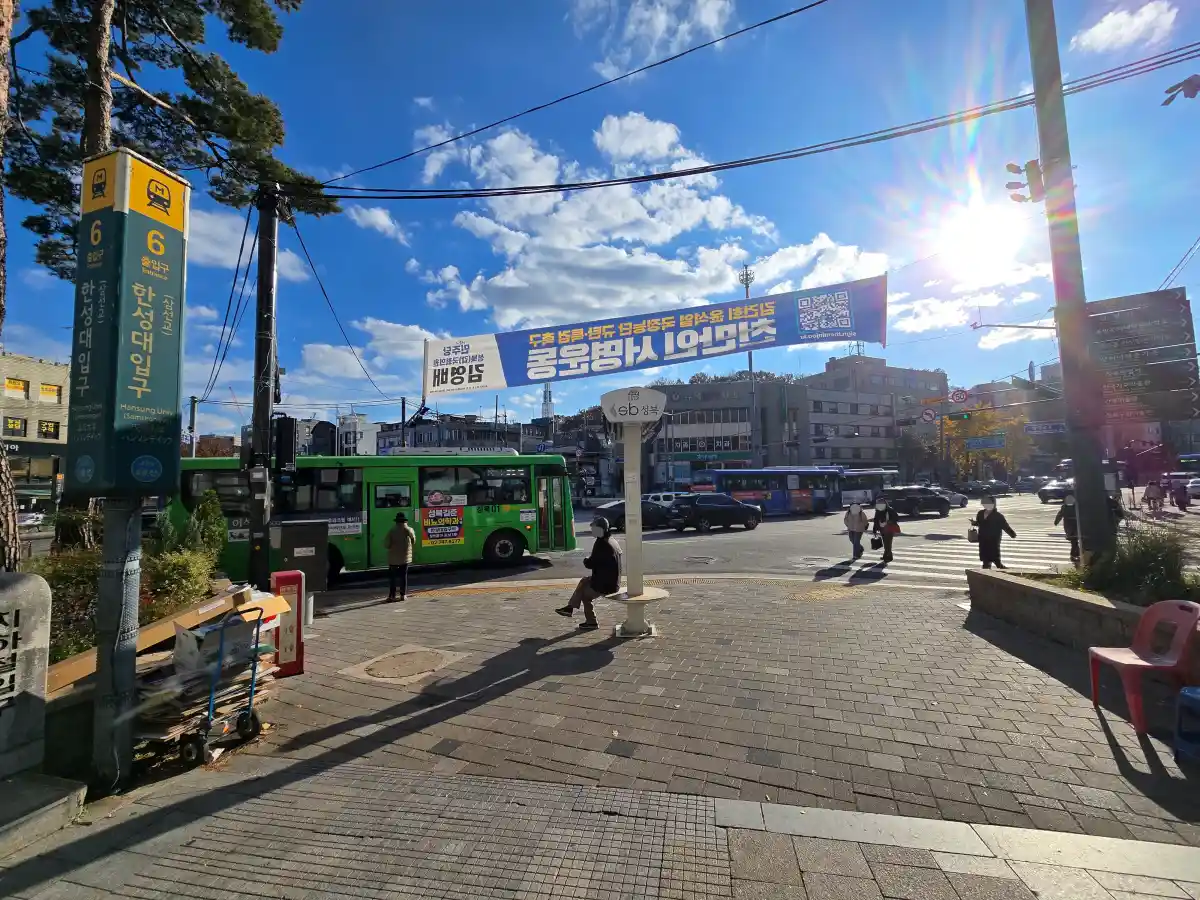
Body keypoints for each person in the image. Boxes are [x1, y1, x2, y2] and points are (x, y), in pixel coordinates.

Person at [557, 516, 622, 630]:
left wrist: (586, 559)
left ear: (600, 529)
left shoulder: (602, 544)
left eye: (594, 528)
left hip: (606, 585)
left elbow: (590, 564)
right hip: (612, 581)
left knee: (585, 595)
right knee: (584, 581)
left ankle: (590, 621)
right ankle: (570, 608)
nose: (592, 530)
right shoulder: (611, 540)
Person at [973, 495, 1017, 569]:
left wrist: (1012, 534)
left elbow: (1005, 526)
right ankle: (987, 574)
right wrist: (974, 523)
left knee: (996, 559)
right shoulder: (980, 513)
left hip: (993, 540)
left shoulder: (998, 516)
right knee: (985, 560)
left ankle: (1003, 571)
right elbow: (979, 523)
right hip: (983, 540)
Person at [384, 511, 416, 602]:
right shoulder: (409, 529)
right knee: (403, 576)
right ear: (405, 521)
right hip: (405, 557)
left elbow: (386, 544)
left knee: (393, 577)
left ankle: (392, 596)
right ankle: (403, 595)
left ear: (396, 521)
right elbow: (414, 540)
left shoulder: (391, 530)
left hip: (393, 558)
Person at [871, 497, 899, 564]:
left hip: (889, 528)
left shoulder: (890, 510)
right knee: (886, 543)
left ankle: (887, 556)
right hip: (882, 529)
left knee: (888, 543)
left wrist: (891, 521)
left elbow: (896, 517)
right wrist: (874, 529)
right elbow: (876, 520)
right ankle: (888, 555)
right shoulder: (878, 511)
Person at [1054, 494, 1079, 564]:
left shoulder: (1067, 507)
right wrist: (1056, 521)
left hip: (1072, 526)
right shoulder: (1072, 507)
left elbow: (1059, 515)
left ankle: (1076, 553)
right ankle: (1074, 554)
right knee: (1074, 541)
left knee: (1074, 541)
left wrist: (1056, 521)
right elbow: (1060, 515)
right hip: (1071, 526)